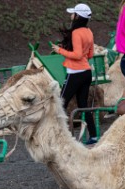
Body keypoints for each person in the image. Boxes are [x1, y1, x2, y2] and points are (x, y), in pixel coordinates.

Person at [52, 3, 97, 145]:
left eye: (73, 13)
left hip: (75, 72)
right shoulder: (89, 32)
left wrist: (59, 51)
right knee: (83, 104)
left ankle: (58, 136)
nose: (71, 16)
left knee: (60, 103)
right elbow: (90, 54)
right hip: (86, 72)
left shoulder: (76, 33)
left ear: (78, 16)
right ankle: (94, 135)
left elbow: (77, 55)